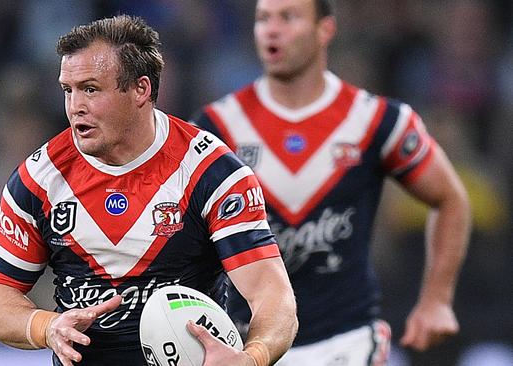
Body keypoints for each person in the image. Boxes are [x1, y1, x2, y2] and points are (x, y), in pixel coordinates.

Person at [0, 15, 297, 366]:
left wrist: (252, 358)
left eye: (91, 89)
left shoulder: (210, 173)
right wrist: (46, 326)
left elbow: (273, 298)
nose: (75, 105)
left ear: (141, 89)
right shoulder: (40, 180)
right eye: (69, 89)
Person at [191, 0, 471, 365]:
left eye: (288, 17)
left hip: (348, 340)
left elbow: (450, 198)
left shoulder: (377, 119)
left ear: (325, 30)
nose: (272, 29)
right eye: (264, 19)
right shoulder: (215, 126)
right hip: (251, 344)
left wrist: (437, 300)